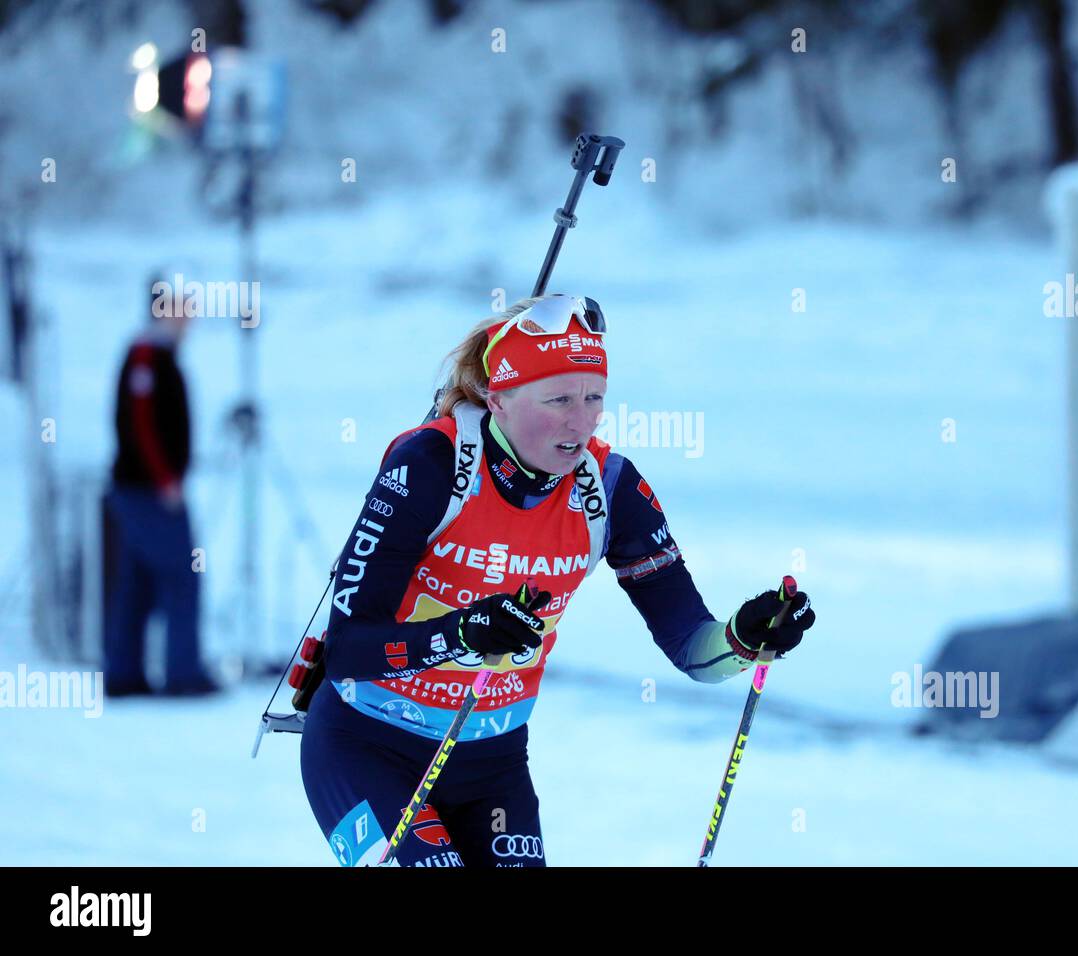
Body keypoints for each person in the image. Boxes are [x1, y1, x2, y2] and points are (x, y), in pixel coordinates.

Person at [299, 293, 815, 867]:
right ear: (499, 400)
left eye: (594, 397)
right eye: (559, 399)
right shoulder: (431, 466)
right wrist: (462, 634)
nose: (583, 418)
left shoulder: (609, 489)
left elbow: (693, 647)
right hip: (367, 745)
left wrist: (746, 637)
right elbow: (348, 650)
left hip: (491, 764)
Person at [103, 275, 218, 698]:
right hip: (148, 492)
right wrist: (166, 479)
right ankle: (182, 673)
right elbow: (143, 425)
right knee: (181, 576)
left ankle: (124, 673)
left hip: (140, 489)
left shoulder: (155, 355)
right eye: (182, 307)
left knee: (137, 581)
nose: (190, 317)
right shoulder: (147, 357)